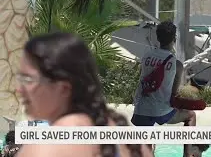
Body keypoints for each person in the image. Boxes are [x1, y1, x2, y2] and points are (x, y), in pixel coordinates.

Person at [15, 32, 151, 157]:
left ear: (63, 88)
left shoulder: (46, 148)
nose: (19, 90)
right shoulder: (127, 138)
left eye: (28, 79)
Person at [130, 21, 197, 156]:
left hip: (141, 109)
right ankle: (187, 154)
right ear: (174, 39)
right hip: (162, 112)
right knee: (191, 116)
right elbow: (173, 94)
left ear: (157, 38)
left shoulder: (146, 56)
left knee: (148, 148)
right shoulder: (176, 64)